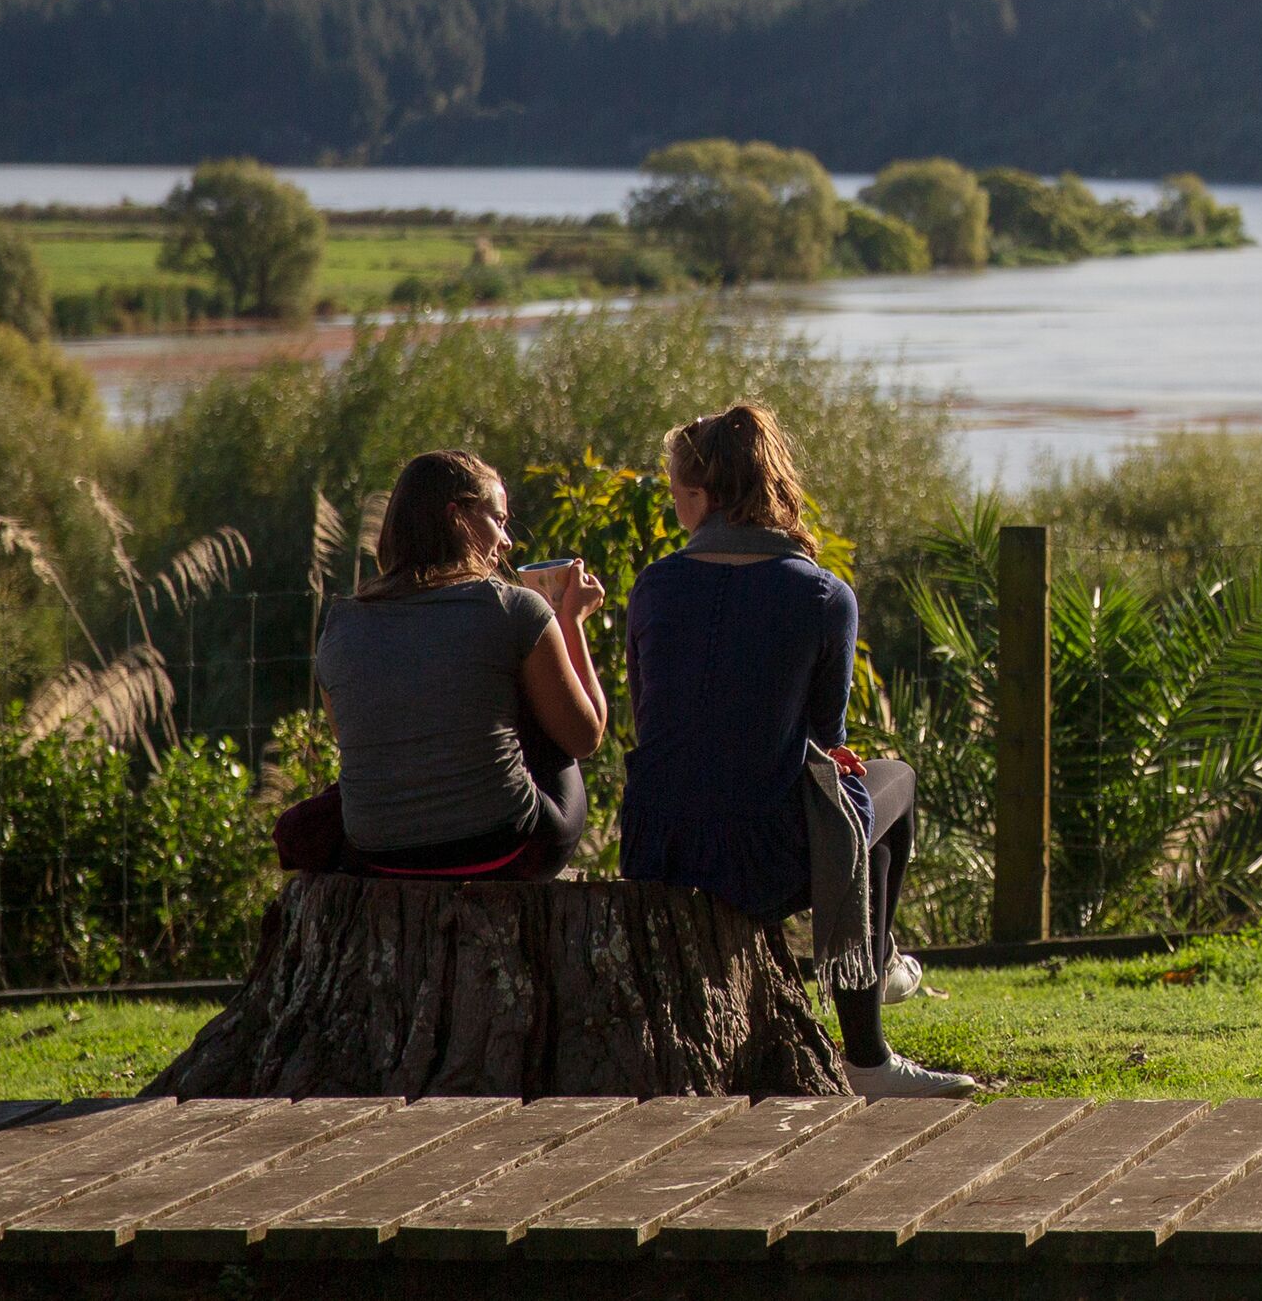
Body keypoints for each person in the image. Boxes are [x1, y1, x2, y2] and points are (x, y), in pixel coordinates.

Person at [618, 401, 971, 1098]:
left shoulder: (653, 585)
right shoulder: (822, 596)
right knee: (885, 785)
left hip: (656, 846)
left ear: (702, 496)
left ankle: (884, 964)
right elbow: (826, 742)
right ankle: (870, 1045)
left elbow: (648, 717)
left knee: (856, 800)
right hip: (759, 860)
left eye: (677, 493)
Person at [313, 448, 608, 879]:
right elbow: (585, 736)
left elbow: (352, 739)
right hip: (501, 850)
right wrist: (569, 623)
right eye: (499, 521)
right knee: (546, 726)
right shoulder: (514, 609)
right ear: (458, 518)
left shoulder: (340, 623)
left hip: (379, 856)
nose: (507, 542)